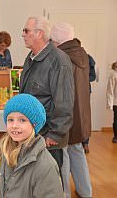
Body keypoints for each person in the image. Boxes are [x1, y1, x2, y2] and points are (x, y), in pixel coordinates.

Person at [19, 16, 74, 179]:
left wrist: (54, 135)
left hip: (48, 140)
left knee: (50, 186)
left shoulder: (58, 60)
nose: (23, 35)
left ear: (39, 34)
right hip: (32, 135)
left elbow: (64, 102)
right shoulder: (31, 58)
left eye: (26, 31)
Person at [50, 22, 92, 198]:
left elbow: (59, 91)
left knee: (63, 154)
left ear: (57, 41)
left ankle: (64, 194)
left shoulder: (62, 57)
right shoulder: (82, 54)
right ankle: (85, 192)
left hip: (66, 113)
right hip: (81, 113)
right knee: (77, 151)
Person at [0, 93, 64, 198]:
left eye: (22, 120)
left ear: (34, 125)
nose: (14, 125)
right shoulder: (7, 153)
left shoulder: (45, 166)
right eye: (10, 119)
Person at [82, 54, 97, 153]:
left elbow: (93, 76)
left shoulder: (88, 58)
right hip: (72, 91)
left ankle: (85, 143)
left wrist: (81, 79)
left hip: (85, 91)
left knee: (85, 117)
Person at [106, 62, 117, 143]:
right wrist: (110, 104)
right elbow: (110, 90)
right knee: (116, 120)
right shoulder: (113, 74)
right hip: (116, 102)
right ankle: (116, 136)